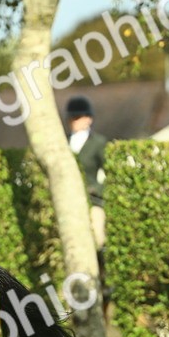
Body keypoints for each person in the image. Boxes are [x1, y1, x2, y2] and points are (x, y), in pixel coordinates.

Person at [66, 96, 108, 252]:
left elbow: (110, 173)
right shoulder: (62, 142)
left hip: (92, 200)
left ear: (88, 119)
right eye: (71, 118)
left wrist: (96, 188)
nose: (74, 122)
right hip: (67, 201)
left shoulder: (98, 143)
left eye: (78, 118)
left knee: (98, 237)